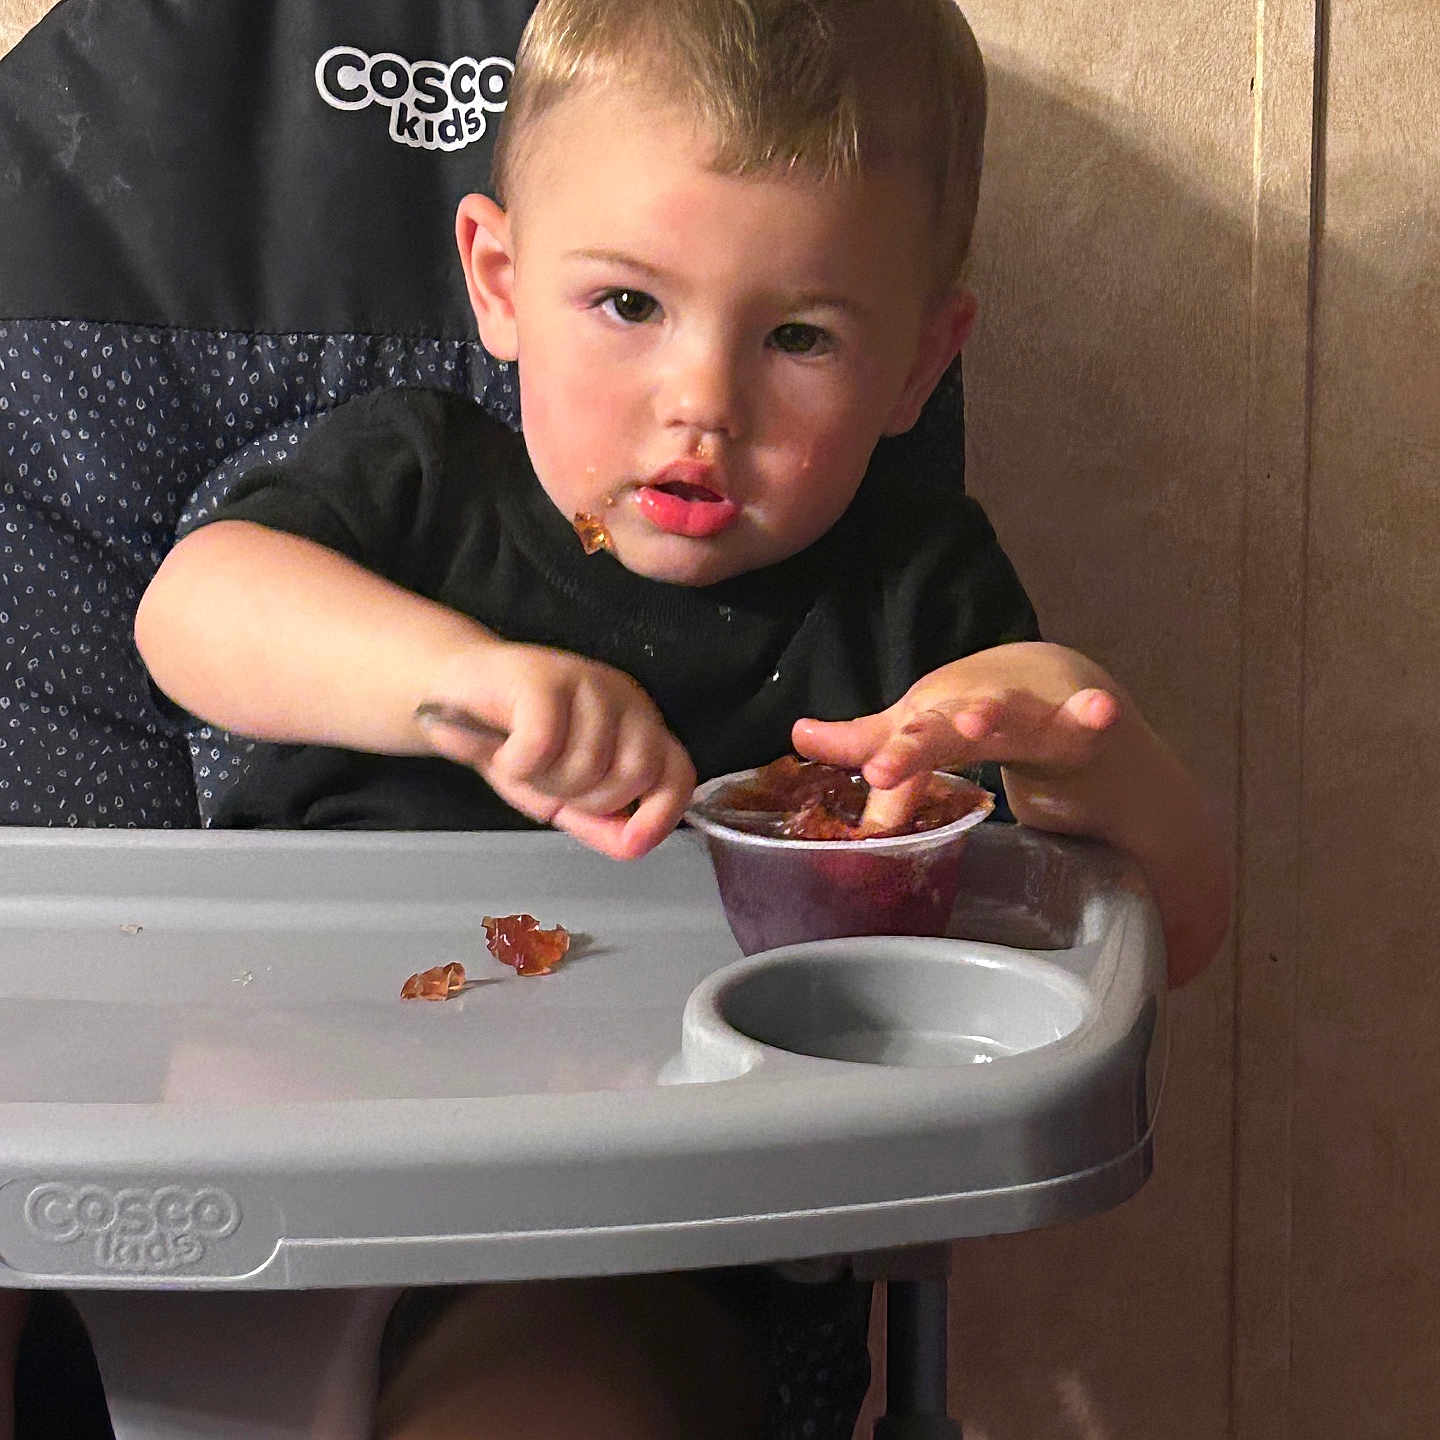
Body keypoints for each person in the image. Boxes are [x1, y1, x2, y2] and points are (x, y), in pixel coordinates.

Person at [127, 0, 1232, 1435]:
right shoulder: (412, 482)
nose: (699, 402)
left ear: (916, 364)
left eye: (797, 337)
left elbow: (1170, 933)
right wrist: (464, 680)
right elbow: (192, 613)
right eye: (629, 305)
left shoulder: (905, 597)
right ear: (502, 278)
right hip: (235, 1175)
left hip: (619, 1255)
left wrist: (1076, 739)